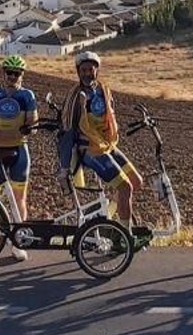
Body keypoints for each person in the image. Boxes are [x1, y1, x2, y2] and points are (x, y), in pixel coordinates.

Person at [60, 50, 144, 224]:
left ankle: (108, 219)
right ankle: (123, 235)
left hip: (107, 145)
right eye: (83, 70)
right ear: (78, 72)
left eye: (90, 70)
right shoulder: (75, 97)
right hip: (90, 150)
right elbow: (67, 132)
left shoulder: (104, 91)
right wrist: (64, 167)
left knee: (136, 181)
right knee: (125, 187)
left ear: (97, 70)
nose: (87, 74)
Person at [0, 54, 39, 261]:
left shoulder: (27, 96)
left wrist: (29, 129)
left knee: (19, 199)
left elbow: (34, 120)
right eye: (9, 72)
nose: (12, 76)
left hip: (19, 150)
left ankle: (17, 242)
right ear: (3, 73)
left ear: (22, 75)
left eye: (16, 73)